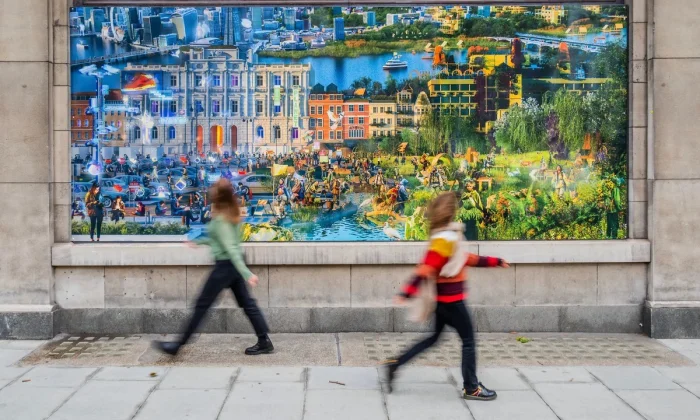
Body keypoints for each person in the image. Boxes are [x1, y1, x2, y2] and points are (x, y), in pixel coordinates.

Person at [384, 192, 509, 401]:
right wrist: (407, 292)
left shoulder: (443, 235)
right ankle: (472, 388)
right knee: (468, 341)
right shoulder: (446, 239)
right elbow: (427, 267)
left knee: (433, 339)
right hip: (452, 301)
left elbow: (466, 258)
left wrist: (495, 261)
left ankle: (396, 364)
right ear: (451, 212)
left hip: (443, 302)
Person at [153, 179, 273, 356]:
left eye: (212, 191)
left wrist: (247, 274)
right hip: (232, 264)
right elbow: (220, 241)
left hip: (225, 266)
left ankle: (177, 346)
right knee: (247, 304)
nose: (210, 194)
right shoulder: (230, 212)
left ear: (217, 196)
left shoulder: (221, 219)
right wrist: (198, 241)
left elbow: (230, 248)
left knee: (202, 305)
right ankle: (264, 340)